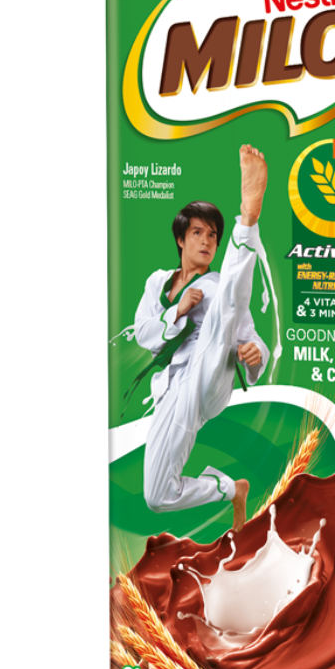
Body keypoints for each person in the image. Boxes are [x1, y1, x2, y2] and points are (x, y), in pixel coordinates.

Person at [131, 145, 271, 532]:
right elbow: (144, 333)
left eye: (213, 235)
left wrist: (255, 353)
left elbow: (248, 335)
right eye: (198, 233)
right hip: (172, 393)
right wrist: (177, 310)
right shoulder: (158, 282)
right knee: (157, 495)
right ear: (181, 239)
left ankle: (248, 220)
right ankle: (230, 489)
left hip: (209, 379)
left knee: (224, 306)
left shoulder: (216, 284)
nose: (207, 241)